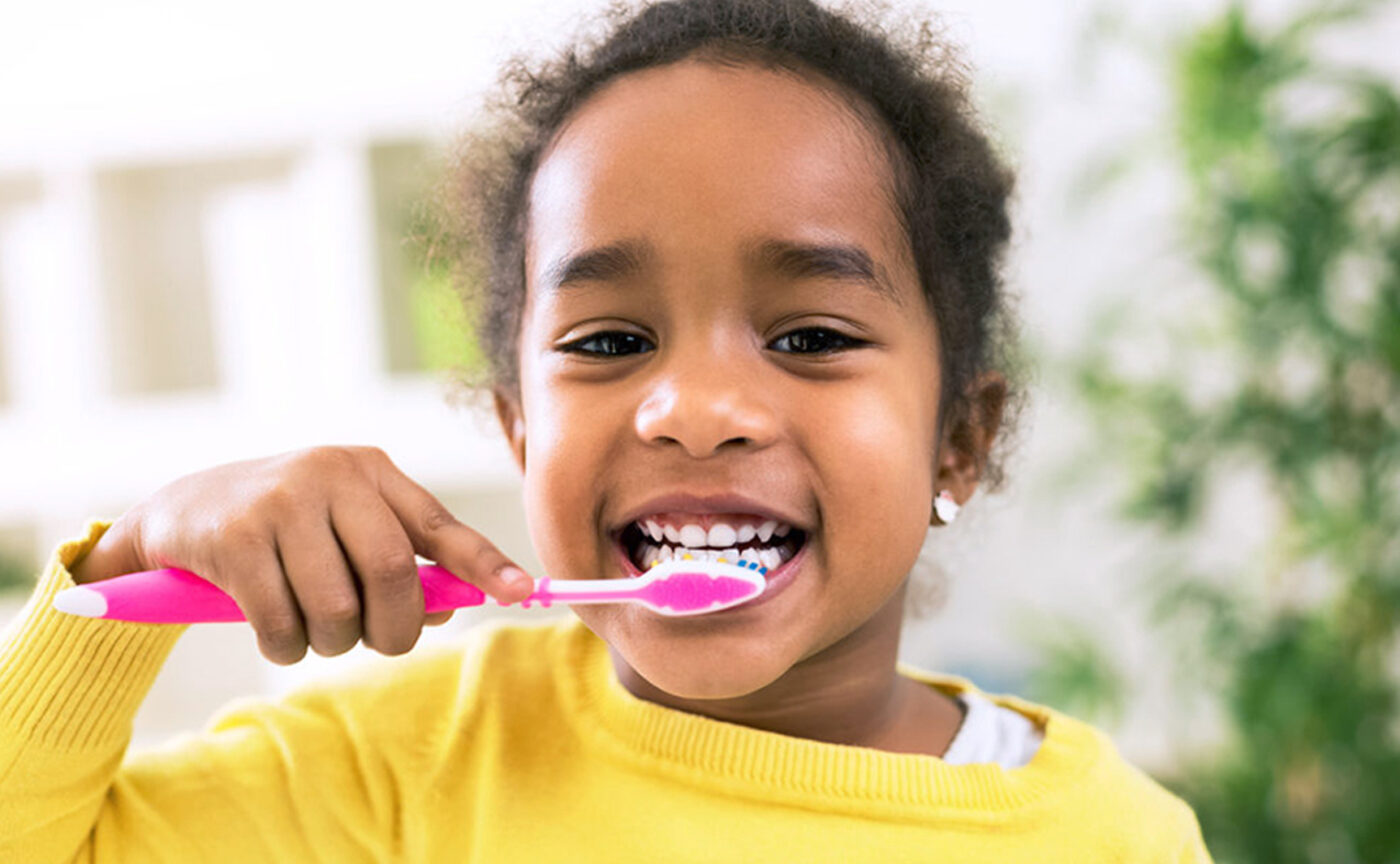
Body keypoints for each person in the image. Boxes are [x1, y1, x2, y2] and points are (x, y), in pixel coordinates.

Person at [0, 0, 1213, 859]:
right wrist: (123, 575)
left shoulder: (1108, 841)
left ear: (958, 438)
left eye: (808, 338)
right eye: (607, 342)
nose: (691, 410)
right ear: (518, 432)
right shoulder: (394, 774)